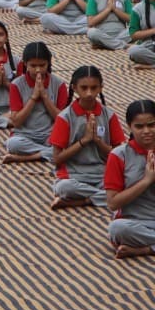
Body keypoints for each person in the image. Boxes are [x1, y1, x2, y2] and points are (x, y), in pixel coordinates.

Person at [48, 64, 124, 209]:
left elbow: (118, 155)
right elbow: (57, 159)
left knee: (129, 184)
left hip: (103, 174)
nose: (89, 93)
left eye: (94, 88)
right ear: (74, 88)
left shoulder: (109, 115)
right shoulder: (65, 117)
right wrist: (84, 141)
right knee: (63, 188)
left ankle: (85, 200)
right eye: (84, 88)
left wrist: (97, 141)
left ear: (101, 88)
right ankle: (107, 198)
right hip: (74, 174)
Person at [106, 100, 155, 258]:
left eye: (151, 125)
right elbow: (113, 203)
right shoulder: (119, 155)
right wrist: (146, 181)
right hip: (135, 222)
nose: (146, 131)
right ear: (129, 127)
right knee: (117, 229)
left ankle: (147, 249)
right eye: (139, 127)